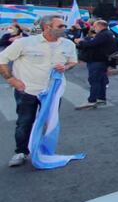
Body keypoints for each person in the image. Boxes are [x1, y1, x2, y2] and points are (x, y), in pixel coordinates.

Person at [0, 15, 78, 167]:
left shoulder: (68, 44)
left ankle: (43, 150)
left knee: (50, 123)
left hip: (53, 92)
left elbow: (73, 62)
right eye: (60, 26)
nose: (65, 28)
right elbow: (2, 59)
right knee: (25, 122)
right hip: (27, 90)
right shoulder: (25, 42)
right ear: (47, 27)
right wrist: (11, 79)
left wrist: (66, 67)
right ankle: (21, 152)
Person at [74, 19, 115, 109]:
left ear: (100, 26)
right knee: (101, 80)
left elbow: (92, 44)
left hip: (97, 61)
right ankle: (101, 98)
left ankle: (92, 100)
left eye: (95, 26)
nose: (93, 28)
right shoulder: (107, 33)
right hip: (101, 60)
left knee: (94, 80)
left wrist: (80, 42)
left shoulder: (104, 34)